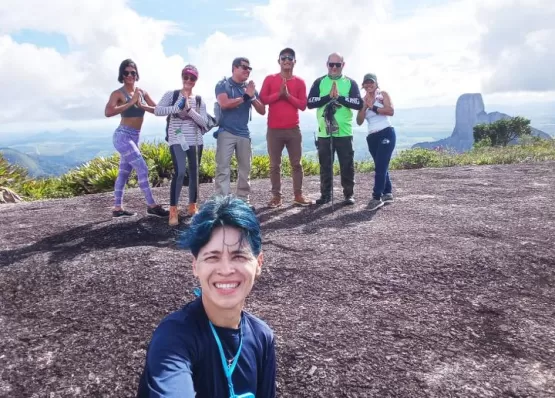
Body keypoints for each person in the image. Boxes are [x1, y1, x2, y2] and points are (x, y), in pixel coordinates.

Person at [136, 195, 276, 398]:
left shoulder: (262, 337)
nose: (226, 270)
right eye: (212, 257)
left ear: (259, 263)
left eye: (239, 256)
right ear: (195, 266)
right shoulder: (174, 337)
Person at [104, 59, 169, 218]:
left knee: (124, 173)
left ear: (136, 74)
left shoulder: (142, 92)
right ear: (122, 75)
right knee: (142, 167)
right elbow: (108, 112)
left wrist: (142, 106)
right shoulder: (118, 93)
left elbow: (158, 110)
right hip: (122, 136)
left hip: (135, 137)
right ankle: (151, 205)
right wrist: (130, 103)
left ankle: (117, 208)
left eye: (133, 72)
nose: (130, 75)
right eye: (126, 73)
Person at [151, 64, 208, 226]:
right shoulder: (172, 94)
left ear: (196, 80)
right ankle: (173, 210)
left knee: (194, 173)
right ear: (182, 77)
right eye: (186, 76)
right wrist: (176, 108)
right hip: (177, 139)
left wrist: (189, 110)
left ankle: (192, 206)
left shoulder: (199, 100)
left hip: (196, 140)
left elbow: (204, 122)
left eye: (192, 78)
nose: (188, 80)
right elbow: (157, 110)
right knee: (180, 171)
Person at [259, 48, 312, 208]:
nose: (287, 60)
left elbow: (303, 105)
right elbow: (263, 99)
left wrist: (287, 95)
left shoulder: (300, 82)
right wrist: (279, 95)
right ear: (279, 61)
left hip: (293, 129)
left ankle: (298, 195)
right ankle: (276, 197)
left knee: (296, 164)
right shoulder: (270, 79)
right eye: (284, 58)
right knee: (275, 165)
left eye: (290, 58)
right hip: (274, 129)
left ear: (294, 61)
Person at [307, 52, 363, 205]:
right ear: (327, 65)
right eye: (331, 64)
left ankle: (348, 194)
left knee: (347, 164)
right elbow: (310, 102)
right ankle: (325, 195)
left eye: (337, 64)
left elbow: (358, 103)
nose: (334, 67)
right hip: (324, 131)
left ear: (343, 65)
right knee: (325, 165)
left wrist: (339, 98)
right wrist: (328, 98)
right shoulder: (319, 82)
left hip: (344, 131)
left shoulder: (350, 83)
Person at [213, 57, 266, 209]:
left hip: (244, 133)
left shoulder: (250, 88)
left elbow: (262, 110)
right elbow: (224, 104)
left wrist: (252, 96)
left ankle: (243, 200)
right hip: (226, 132)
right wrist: (245, 97)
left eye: (249, 68)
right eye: (244, 67)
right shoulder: (223, 84)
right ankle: (222, 201)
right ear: (234, 68)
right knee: (223, 167)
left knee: (245, 169)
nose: (247, 71)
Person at [356, 73, 396, 211]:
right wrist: (364, 108)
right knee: (381, 164)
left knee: (380, 165)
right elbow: (359, 121)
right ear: (363, 85)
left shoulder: (383, 94)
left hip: (386, 132)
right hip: (372, 136)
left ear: (376, 83)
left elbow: (390, 111)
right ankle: (388, 193)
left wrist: (372, 107)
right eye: (366, 83)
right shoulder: (363, 100)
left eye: (371, 82)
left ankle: (376, 197)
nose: (368, 85)